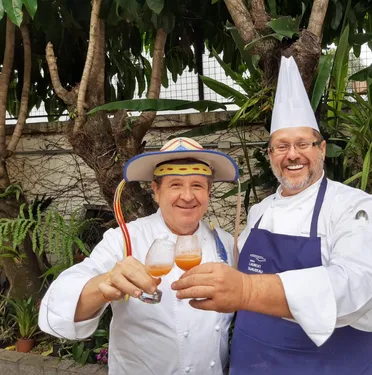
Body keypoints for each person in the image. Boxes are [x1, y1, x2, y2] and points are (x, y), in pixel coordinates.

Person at [171, 57, 372, 374]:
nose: (292, 154)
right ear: (271, 155)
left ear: (322, 149)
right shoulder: (261, 212)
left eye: (303, 143)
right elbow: (233, 267)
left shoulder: (355, 206)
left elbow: (355, 286)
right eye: (281, 146)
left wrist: (248, 291)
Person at [38, 137, 240, 375]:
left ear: (208, 192)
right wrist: (105, 284)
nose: (187, 196)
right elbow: (58, 305)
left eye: (197, 185)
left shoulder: (225, 243)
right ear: (156, 191)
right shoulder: (125, 238)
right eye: (175, 185)